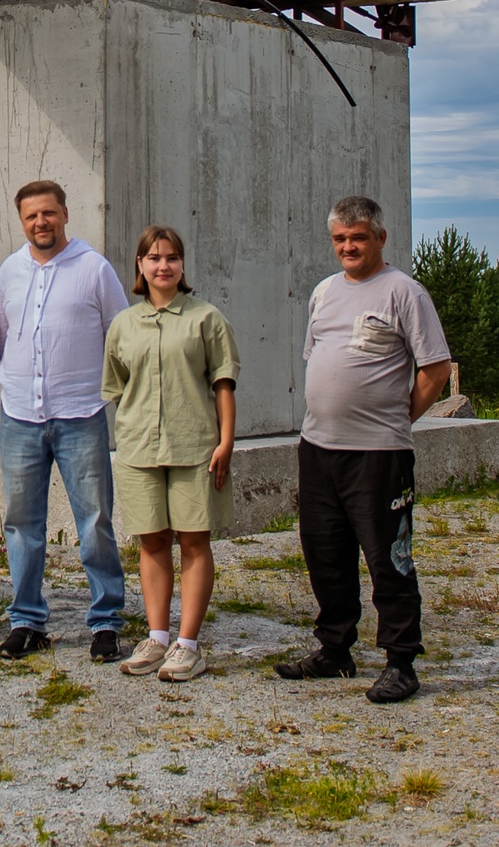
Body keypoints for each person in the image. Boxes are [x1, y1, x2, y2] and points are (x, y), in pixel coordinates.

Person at [275, 196, 452, 705]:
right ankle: (335, 650)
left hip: (378, 454)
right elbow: (318, 357)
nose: (348, 246)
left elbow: (436, 369)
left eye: (358, 237)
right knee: (325, 553)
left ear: (380, 238)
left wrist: (398, 418)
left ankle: (401, 662)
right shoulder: (323, 292)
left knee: (388, 558)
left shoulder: (404, 292)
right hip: (318, 448)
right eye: (340, 239)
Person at [0, 179, 130, 661]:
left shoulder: (94, 268)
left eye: (48, 213)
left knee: (94, 522)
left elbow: (119, 334)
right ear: (22, 221)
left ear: (65, 215)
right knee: (21, 523)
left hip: (80, 414)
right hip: (20, 416)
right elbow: (4, 336)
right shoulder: (8, 271)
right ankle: (26, 621)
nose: (40, 222)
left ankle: (106, 621)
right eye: (31, 216)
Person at [104, 225, 238, 683]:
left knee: (194, 541)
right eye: (154, 258)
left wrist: (225, 442)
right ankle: (157, 638)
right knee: (152, 541)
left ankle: (188, 646)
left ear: (182, 265)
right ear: (140, 266)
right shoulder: (123, 324)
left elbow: (223, 384)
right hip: (139, 449)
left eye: (172, 258)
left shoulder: (207, 319)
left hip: (194, 446)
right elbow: (118, 386)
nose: (163, 266)